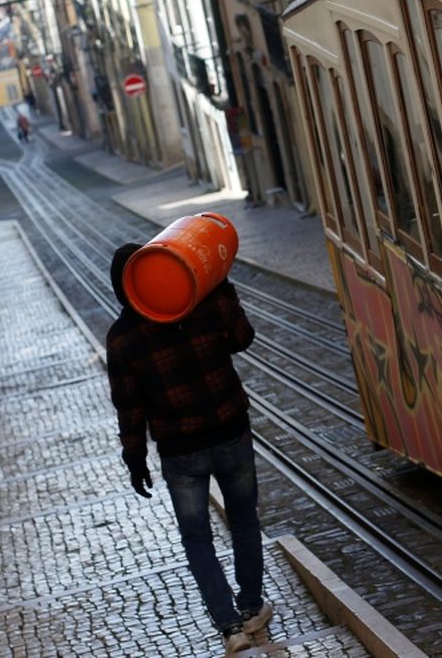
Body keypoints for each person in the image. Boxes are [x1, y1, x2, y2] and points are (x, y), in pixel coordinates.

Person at [106, 244, 272, 655]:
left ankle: (230, 627)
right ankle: (251, 608)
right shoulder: (202, 302)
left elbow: (130, 407)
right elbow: (242, 338)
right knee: (244, 519)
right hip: (230, 432)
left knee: (197, 539)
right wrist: (220, 286)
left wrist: (135, 459)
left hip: (181, 453)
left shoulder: (123, 337)